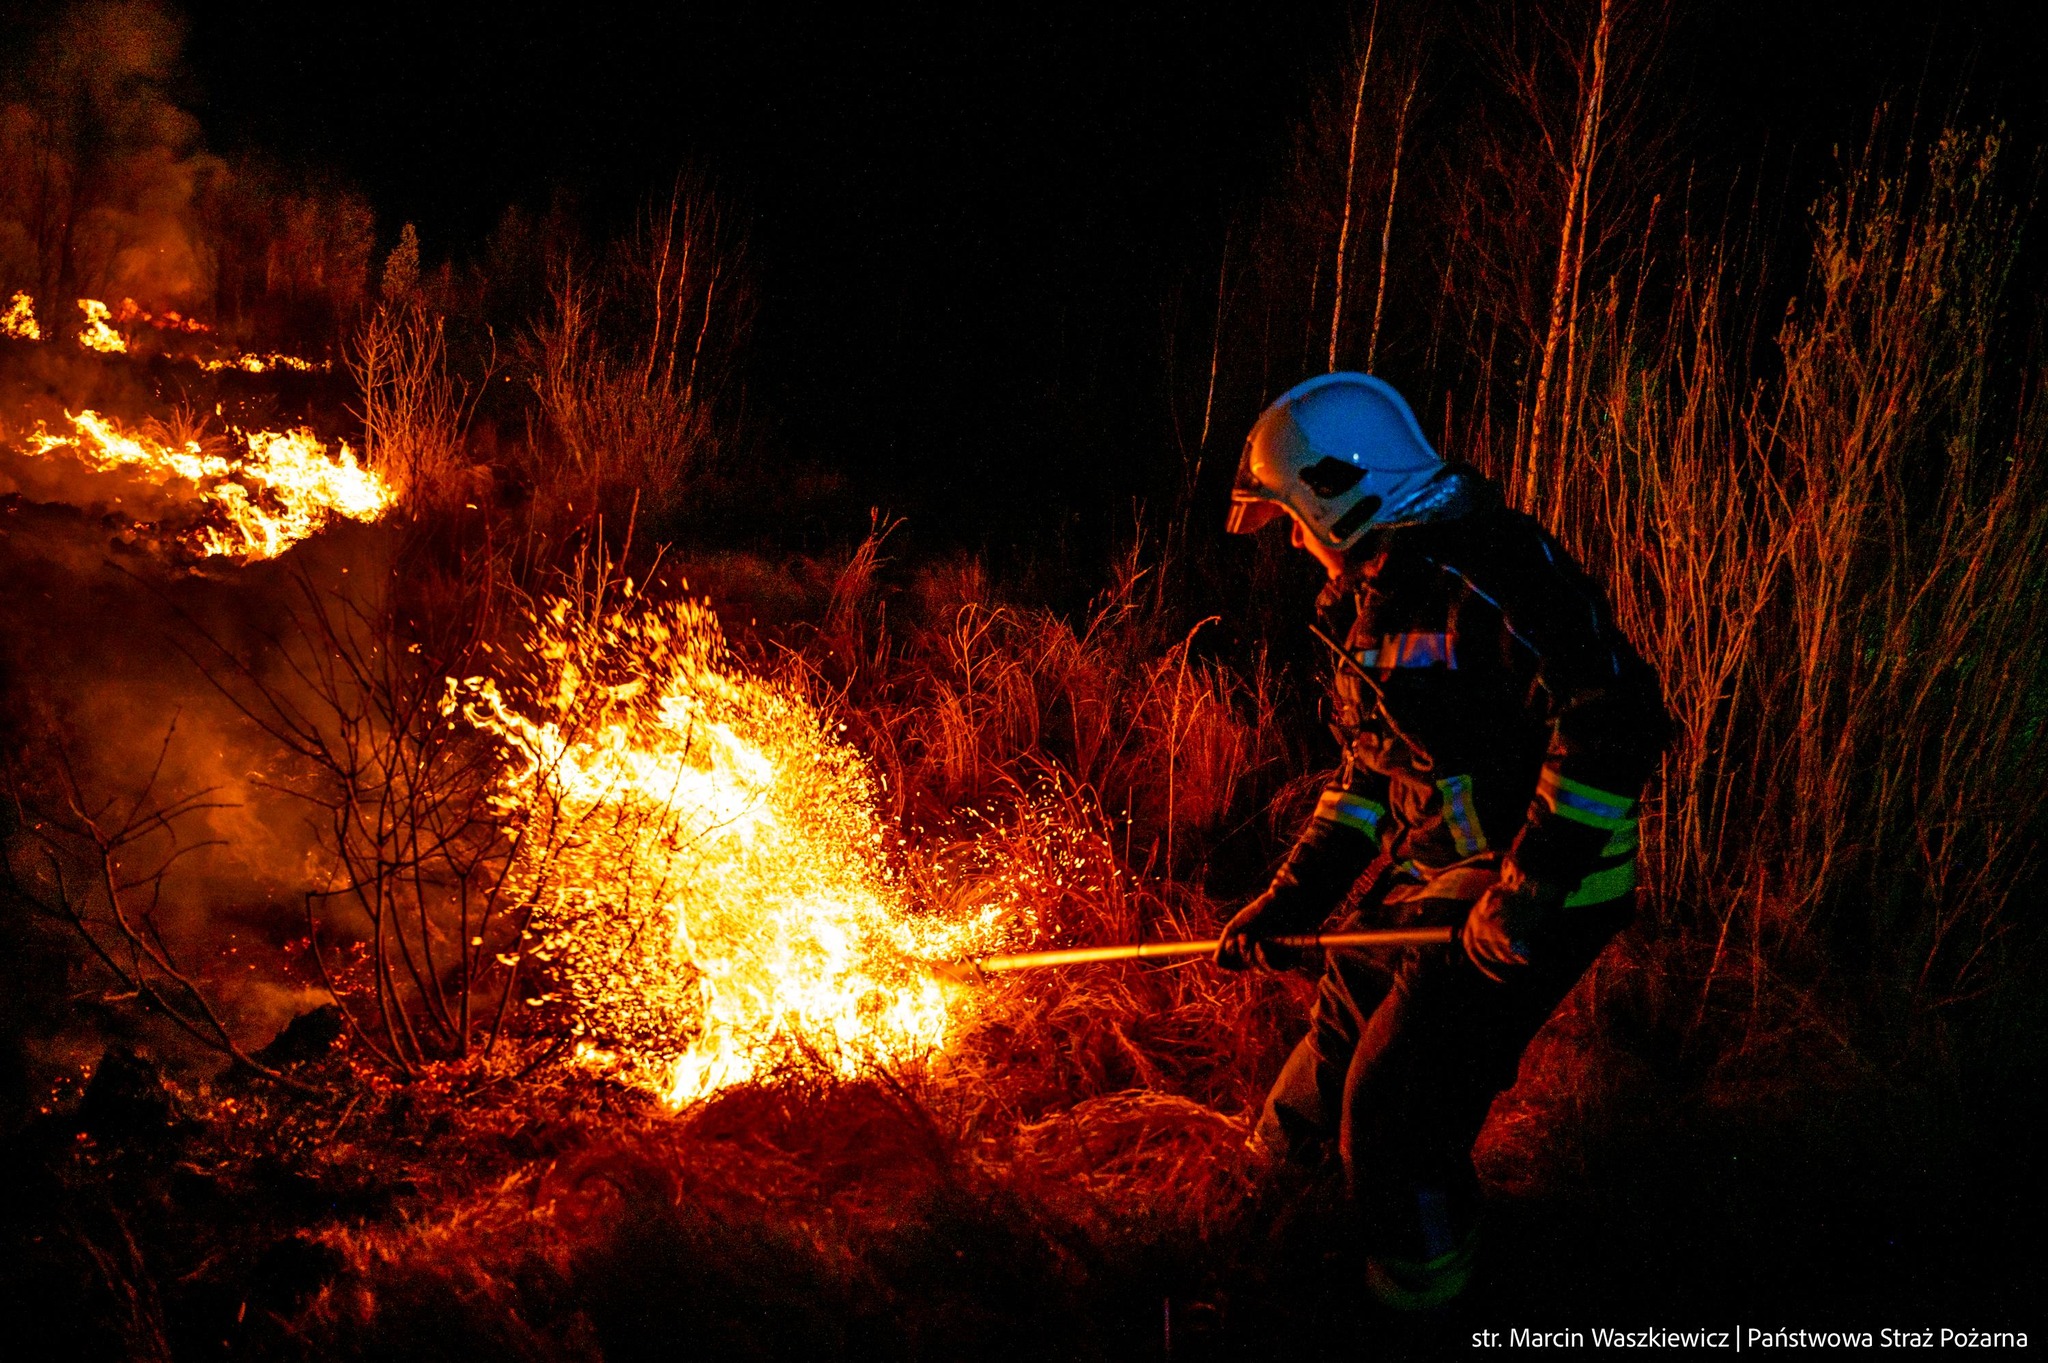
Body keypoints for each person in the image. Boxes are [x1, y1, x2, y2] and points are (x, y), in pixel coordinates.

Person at [1216, 372, 1671, 1310]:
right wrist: (1289, 903)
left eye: (1293, 519)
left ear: (1339, 492)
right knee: (1330, 1050)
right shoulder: (1370, 600)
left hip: (1543, 887)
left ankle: (1423, 1306)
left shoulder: (1488, 569)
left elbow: (1615, 711)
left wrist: (1527, 889)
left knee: (1395, 1114)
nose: (1293, 542)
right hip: (1443, 876)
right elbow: (1370, 781)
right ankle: (1272, 1232)